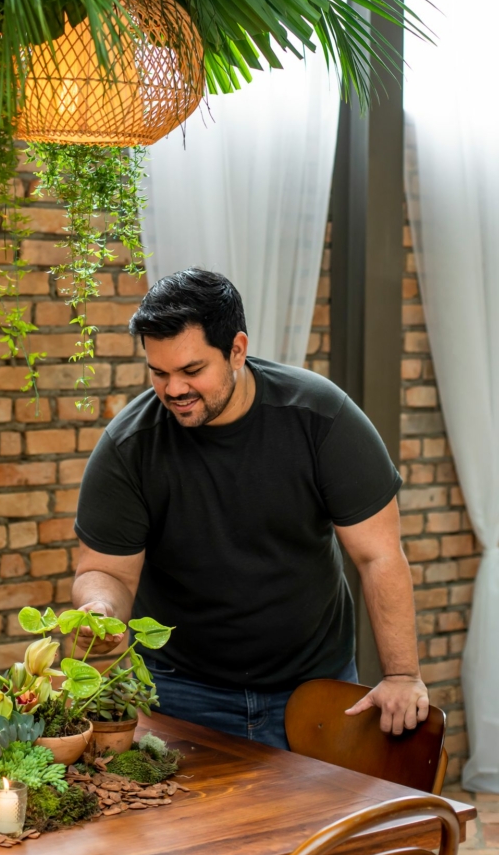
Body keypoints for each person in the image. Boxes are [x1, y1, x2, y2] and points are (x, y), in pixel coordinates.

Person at [72, 268, 429, 747]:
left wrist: (403, 674)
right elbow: (107, 572)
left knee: (322, 823)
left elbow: (378, 555)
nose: (173, 388)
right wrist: (100, 608)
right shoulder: (130, 445)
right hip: (182, 691)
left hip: (316, 687)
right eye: (159, 373)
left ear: (237, 349)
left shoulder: (321, 418)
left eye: (192, 370)